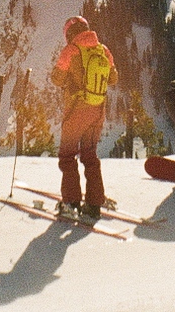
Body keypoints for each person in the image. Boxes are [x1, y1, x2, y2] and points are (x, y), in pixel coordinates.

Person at [50, 14, 116, 222]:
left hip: (77, 110)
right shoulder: (103, 50)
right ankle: (94, 204)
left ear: (69, 33)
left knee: (68, 156)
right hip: (98, 111)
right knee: (90, 156)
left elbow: (56, 78)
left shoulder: (71, 50)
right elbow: (113, 78)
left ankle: (71, 203)